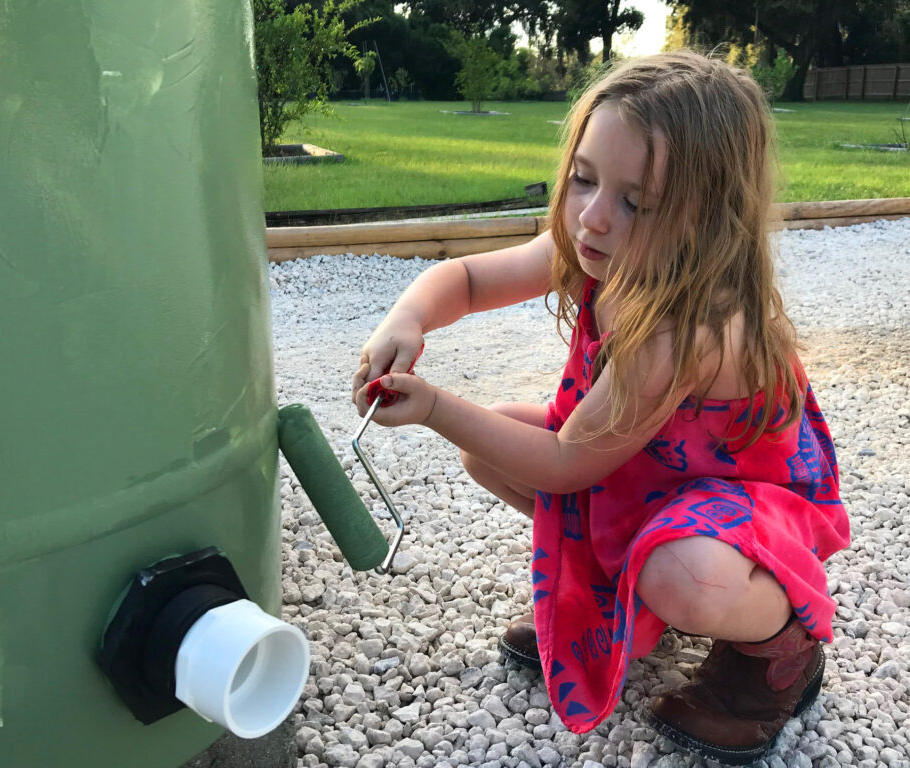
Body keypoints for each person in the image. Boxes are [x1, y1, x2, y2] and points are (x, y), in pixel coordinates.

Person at [351, 50, 850, 766]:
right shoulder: (593, 244)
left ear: (704, 218)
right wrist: (407, 319)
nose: (592, 216)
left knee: (682, 575)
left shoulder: (687, 329)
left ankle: (778, 642)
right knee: (487, 447)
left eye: (634, 202)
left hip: (743, 502)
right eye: (583, 178)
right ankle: (634, 593)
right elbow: (461, 278)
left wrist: (432, 406)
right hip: (650, 480)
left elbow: (561, 465)